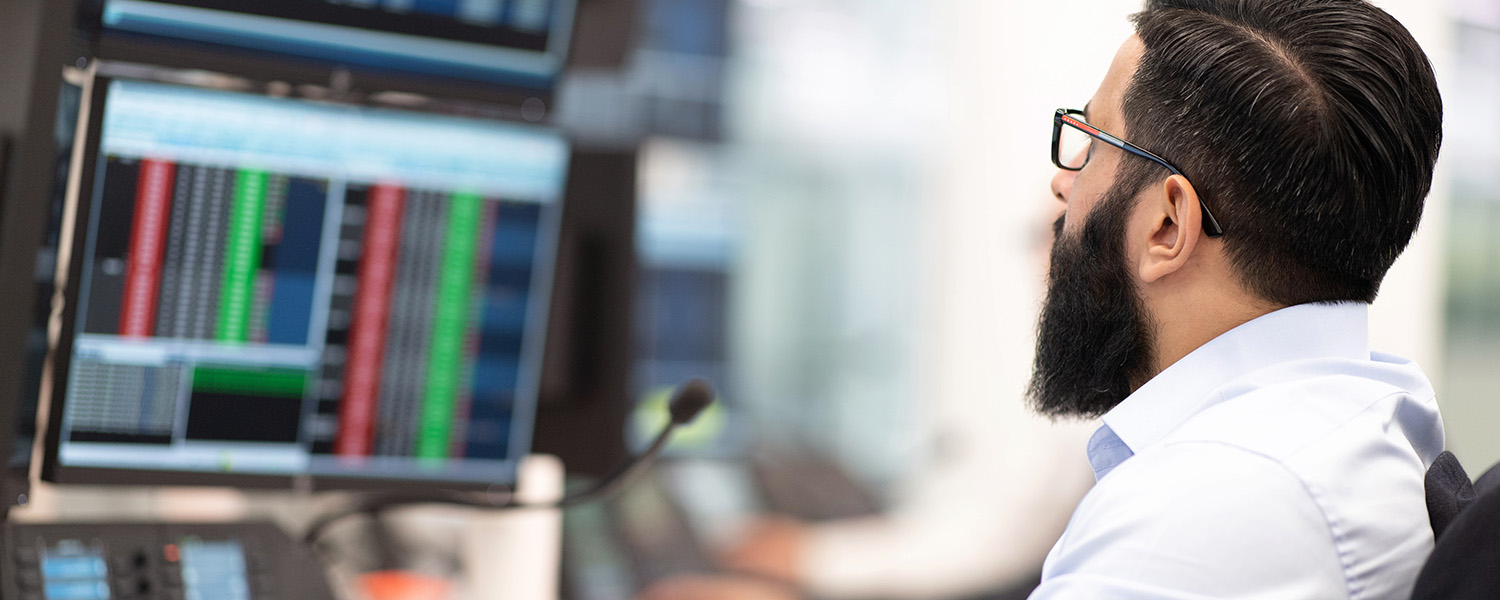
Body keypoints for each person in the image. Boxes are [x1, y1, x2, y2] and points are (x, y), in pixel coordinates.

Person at [1027, 0, 1443, 598]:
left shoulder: (1192, 515)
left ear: (1167, 226)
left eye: (1090, 143)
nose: (1062, 183)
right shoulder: (1371, 416)